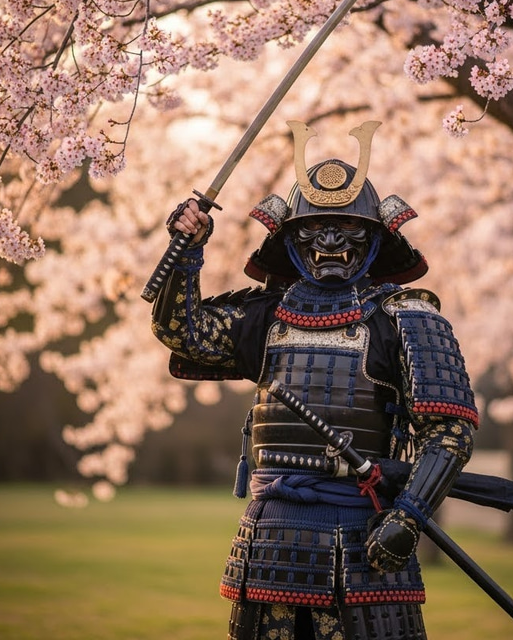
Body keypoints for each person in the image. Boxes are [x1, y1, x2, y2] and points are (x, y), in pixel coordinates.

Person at [151, 120, 479, 640]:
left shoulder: (405, 318)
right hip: (269, 540)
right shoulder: (268, 315)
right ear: (288, 238)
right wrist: (187, 252)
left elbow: (449, 431)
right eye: (312, 229)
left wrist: (410, 516)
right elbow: (183, 334)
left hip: (362, 539)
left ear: (374, 238)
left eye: (346, 229)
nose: (328, 241)